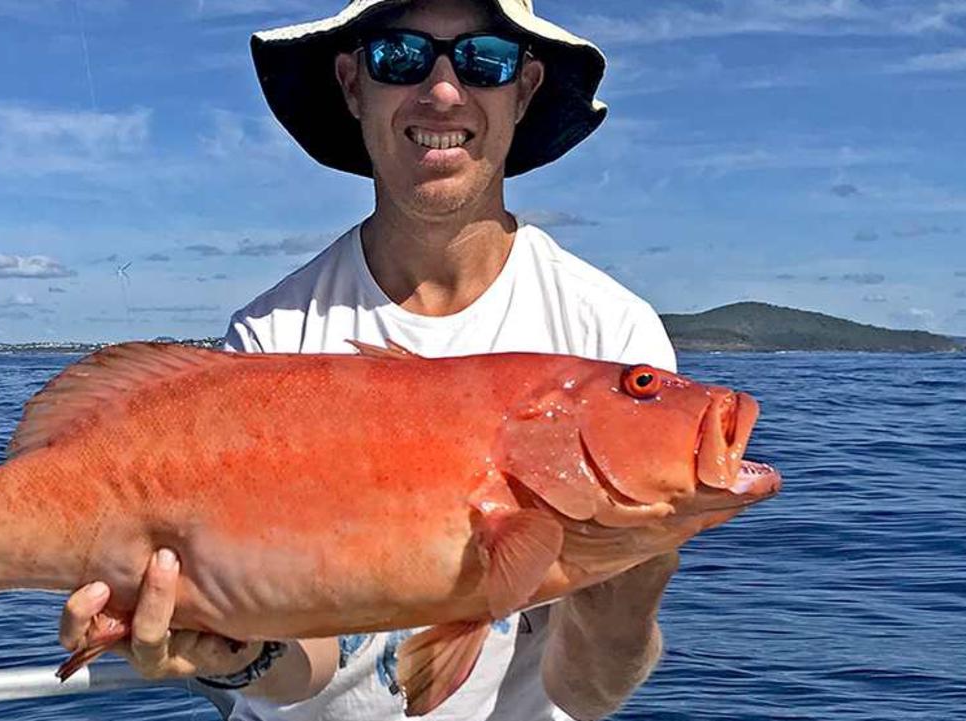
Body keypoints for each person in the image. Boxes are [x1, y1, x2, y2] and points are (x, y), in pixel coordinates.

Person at [60, 0, 680, 719]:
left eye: (485, 59)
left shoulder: (606, 334)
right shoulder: (269, 340)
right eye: (399, 56)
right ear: (354, 85)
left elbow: (586, 693)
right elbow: (305, 664)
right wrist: (239, 653)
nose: (444, 91)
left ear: (526, 87)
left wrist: (633, 585)